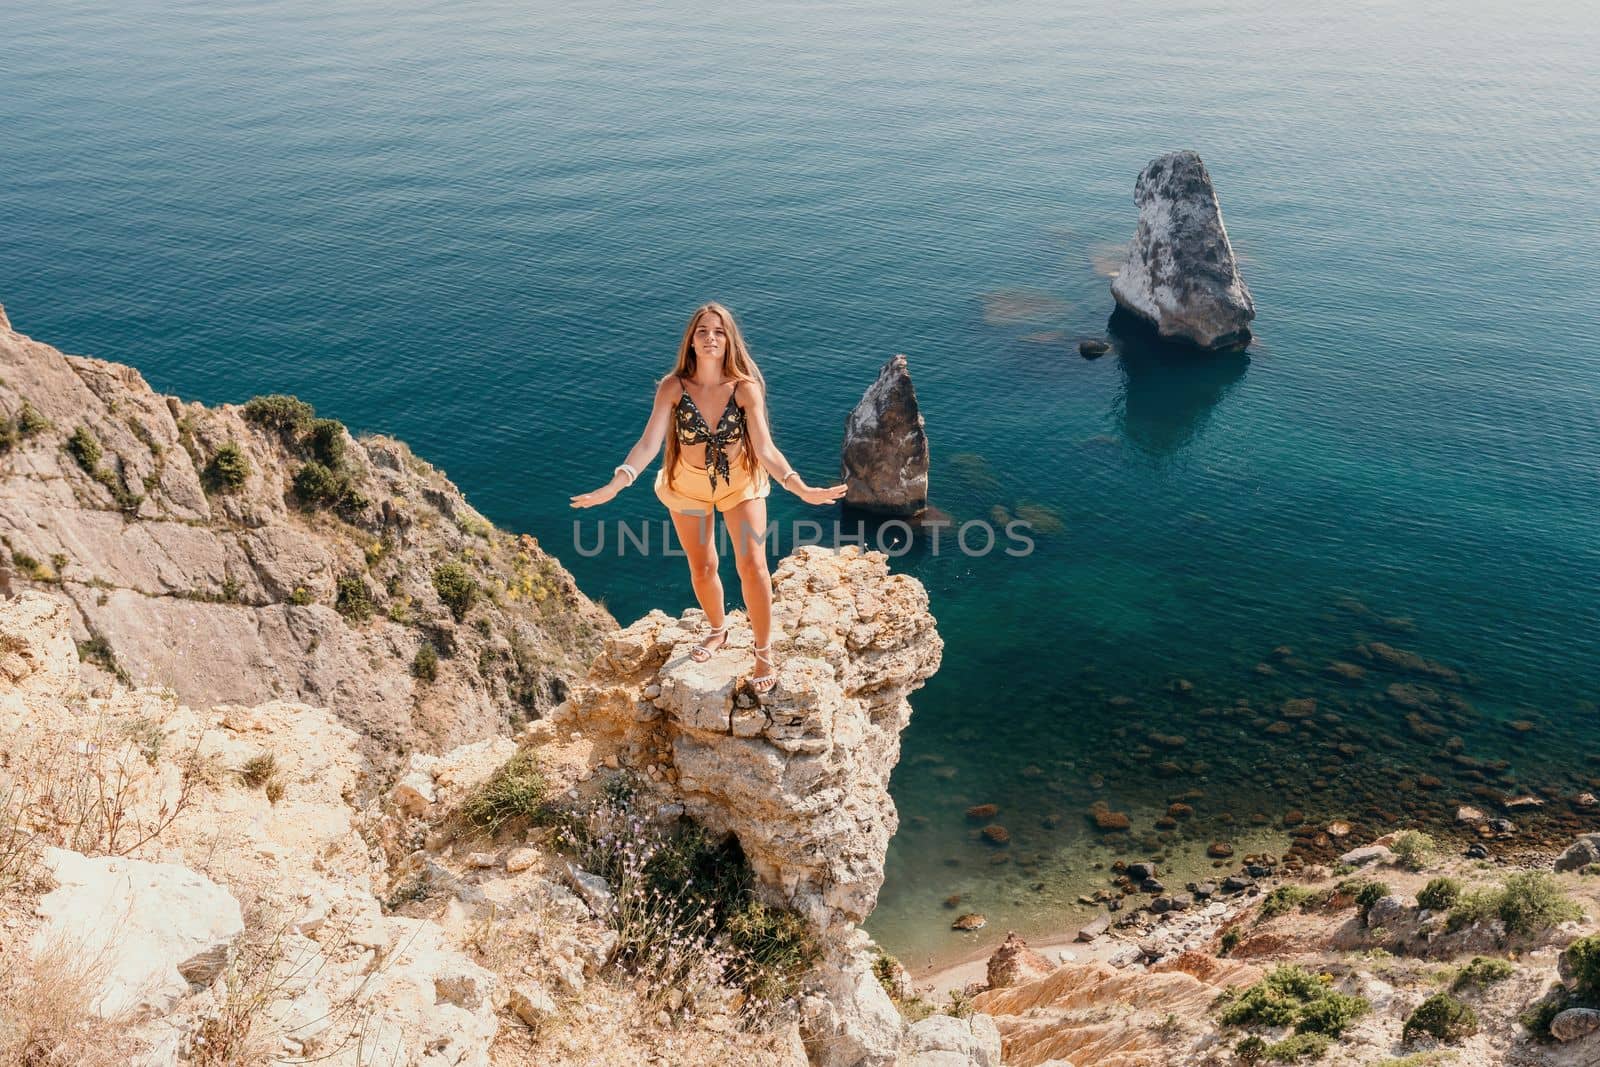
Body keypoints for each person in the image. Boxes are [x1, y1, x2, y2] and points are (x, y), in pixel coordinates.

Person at [570, 302, 846, 693]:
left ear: (729, 339)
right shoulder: (673, 388)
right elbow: (649, 443)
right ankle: (718, 630)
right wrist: (616, 484)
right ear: (692, 341)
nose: (711, 337)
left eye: (719, 331)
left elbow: (765, 448)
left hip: (740, 485)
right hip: (687, 486)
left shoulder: (745, 389)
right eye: (703, 331)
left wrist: (798, 486)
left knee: (753, 565)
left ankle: (763, 652)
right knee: (703, 567)